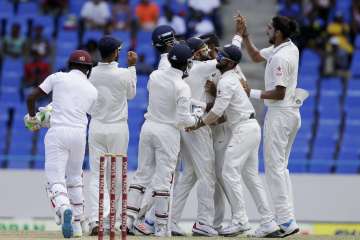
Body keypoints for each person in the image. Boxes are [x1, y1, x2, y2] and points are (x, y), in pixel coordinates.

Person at [188, 44, 275, 237]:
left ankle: (240, 221)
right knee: (251, 177)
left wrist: (198, 123)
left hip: (243, 129)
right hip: (250, 128)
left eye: (220, 57)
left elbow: (218, 112)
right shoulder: (230, 78)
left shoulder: (227, 81)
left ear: (229, 62)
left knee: (228, 172)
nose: (216, 59)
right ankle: (268, 221)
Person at [237, 15, 301, 237]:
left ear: (279, 33)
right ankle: (287, 218)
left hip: (281, 113)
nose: (267, 30)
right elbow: (255, 57)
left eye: (270, 28)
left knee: (274, 169)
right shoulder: (287, 48)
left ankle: (284, 220)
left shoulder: (280, 58)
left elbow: (279, 92)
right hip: (290, 113)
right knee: (280, 169)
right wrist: (245, 36)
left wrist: (250, 93)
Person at [126, 43, 199, 237]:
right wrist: (198, 119)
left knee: (142, 174)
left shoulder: (154, 76)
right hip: (168, 132)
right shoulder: (182, 86)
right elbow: (184, 120)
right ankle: (160, 228)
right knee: (164, 180)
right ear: (186, 64)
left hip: (148, 127)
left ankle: (127, 221)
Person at [25, 50, 98, 238]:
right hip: (80, 136)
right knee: (75, 179)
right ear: (88, 70)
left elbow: (31, 98)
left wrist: (34, 118)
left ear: (70, 65)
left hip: (57, 133)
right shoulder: (92, 90)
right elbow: (85, 111)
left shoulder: (57, 77)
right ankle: (78, 226)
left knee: (55, 180)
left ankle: (64, 208)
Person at [87, 36, 137, 235]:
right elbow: (131, 95)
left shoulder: (90, 73)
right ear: (116, 52)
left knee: (96, 175)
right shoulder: (124, 73)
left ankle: (95, 220)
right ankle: (109, 222)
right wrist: (132, 67)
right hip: (117, 128)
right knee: (115, 176)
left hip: (96, 126)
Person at [170, 37, 218, 237]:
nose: (208, 50)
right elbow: (229, 58)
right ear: (196, 53)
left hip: (184, 123)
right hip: (196, 125)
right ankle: (203, 222)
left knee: (189, 175)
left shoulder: (182, 70)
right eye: (204, 48)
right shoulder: (199, 68)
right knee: (207, 175)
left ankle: (170, 220)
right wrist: (238, 37)